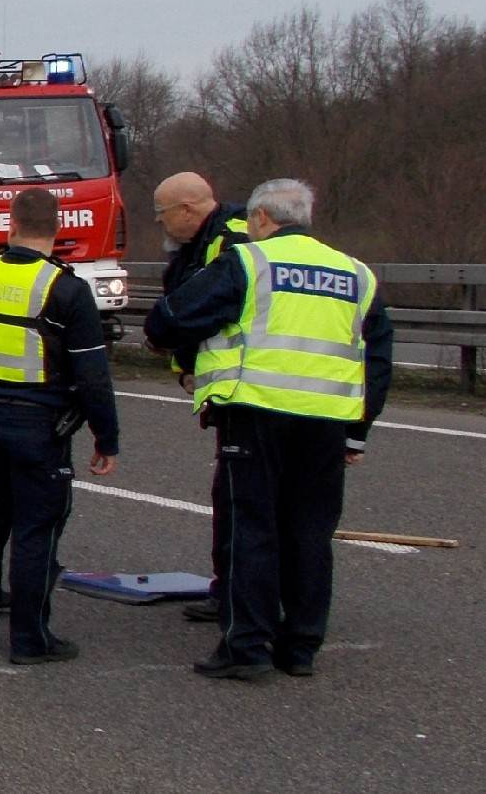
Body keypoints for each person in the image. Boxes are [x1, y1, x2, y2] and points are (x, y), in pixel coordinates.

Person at [144, 178, 391, 681]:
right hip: (326, 421)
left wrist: (171, 344)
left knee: (252, 529)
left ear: (259, 219)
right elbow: (379, 358)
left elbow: (171, 317)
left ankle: (247, 646)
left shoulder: (248, 262)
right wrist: (358, 431)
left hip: (255, 413)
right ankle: (300, 646)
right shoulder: (356, 274)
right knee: (310, 532)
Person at [0, 188, 119, 664]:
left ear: (10, 222)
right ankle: (30, 640)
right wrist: (107, 438)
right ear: (57, 225)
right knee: (36, 531)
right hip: (38, 422)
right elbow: (92, 374)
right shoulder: (64, 288)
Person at [148, 171, 250, 624]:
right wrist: (185, 367)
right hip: (231, 387)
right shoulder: (198, 246)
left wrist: (166, 337)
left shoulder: (231, 243)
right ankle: (230, 588)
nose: (162, 225)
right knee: (233, 497)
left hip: (248, 390)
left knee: (242, 501)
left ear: (187, 209)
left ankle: (239, 597)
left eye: (163, 215)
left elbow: (203, 307)